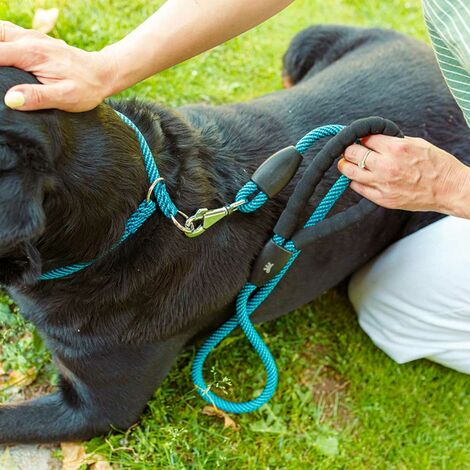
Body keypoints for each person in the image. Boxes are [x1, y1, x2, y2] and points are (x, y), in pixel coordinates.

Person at [0, 0, 469, 373]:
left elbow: (98, 411)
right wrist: (106, 67)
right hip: (416, 65)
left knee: (388, 306)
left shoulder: (130, 310)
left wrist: (450, 186)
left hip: (458, 158)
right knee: (310, 44)